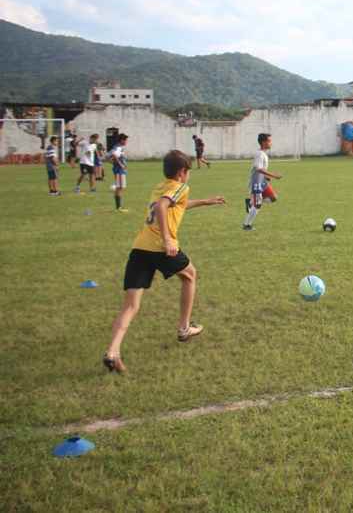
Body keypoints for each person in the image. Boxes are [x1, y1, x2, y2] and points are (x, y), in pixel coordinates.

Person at [102, 150, 225, 373]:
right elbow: (162, 207)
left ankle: (112, 351)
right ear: (182, 172)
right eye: (188, 171)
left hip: (140, 247)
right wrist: (168, 239)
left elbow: (174, 204)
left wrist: (207, 201)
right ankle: (184, 329)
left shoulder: (161, 187)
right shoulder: (180, 186)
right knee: (190, 275)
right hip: (161, 247)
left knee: (131, 306)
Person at [243, 133, 282, 231]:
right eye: (269, 141)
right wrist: (273, 175)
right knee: (258, 205)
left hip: (262, 181)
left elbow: (262, 169)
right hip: (256, 182)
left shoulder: (263, 154)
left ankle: (251, 203)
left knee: (273, 198)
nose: (271, 143)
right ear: (264, 142)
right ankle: (247, 225)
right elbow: (259, 169)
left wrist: (267, 177)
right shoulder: (259, 154)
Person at [110, 133, 129, 212]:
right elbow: (114, 155)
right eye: (126, 140)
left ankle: (119, 207)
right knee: (119, 188)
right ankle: (119, 208)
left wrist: (113, 162)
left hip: (119, 170)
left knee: (120, 187)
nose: (127, 142)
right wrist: (121, 165)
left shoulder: (119, 147)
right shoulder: (118, 147)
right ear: (122, 140)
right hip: (119, 171)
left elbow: (111, 158)